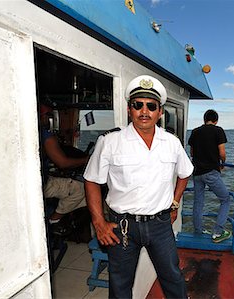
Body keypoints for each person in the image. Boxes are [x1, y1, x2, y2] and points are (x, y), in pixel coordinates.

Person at [83, 75, 193, 299]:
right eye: (138, 105)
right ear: (129, 109)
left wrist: (175, 202)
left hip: (160, 225)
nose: (144, 111)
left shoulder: (172, 142)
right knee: (120, 285)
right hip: (123, 226)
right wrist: (99, 222)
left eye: (151, 106)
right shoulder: (110, 142)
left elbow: (185, 173)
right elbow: (92, 180)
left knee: (173, 278)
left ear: (160, 112)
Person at [40, 104, 90, 235]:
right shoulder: (45, 135)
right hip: (42, 184)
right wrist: (86, 160)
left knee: (87, 199)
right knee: (81, 188)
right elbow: (63, 163)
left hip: (38, 181)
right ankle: (54, 221)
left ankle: (65, 224)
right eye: (47, 116)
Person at [188, 109, 231, 243]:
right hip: (211, 172)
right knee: (226, 199)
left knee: (198, 202)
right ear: (216, 120)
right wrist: (222, 163)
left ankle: (198, 230)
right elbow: (222, 153)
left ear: (204, 119)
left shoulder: (195, 131)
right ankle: (218, 232)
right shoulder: (218, 130)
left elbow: (192, 152)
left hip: (197, 173)